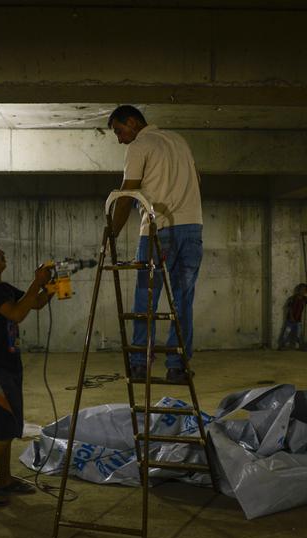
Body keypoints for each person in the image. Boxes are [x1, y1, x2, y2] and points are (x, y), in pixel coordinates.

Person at [107, 105, 203, 383]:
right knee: (183, 299)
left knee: (145, 297)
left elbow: (127, 193)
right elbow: (198, 180)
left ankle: (139, 363)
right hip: (192, 227)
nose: (119, 138)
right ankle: (177, 366)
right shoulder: (179, 141)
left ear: (133, 122)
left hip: (158, 230)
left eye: (119, 131)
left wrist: (111, 232)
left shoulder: (139, 145)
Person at [0, 238, 54, 505]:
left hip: (9, 363)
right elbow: (16, 314)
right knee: (3, 427)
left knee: (9, 424)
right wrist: (37, 282)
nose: (2, 254)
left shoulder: (2, 287)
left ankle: (3, 478)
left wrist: (52, 284)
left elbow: (34, 304)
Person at [278, 283, 307, 350]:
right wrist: (291, 317)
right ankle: (281, 346)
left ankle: (301, 346)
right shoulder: (292, 298)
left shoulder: (305, 299)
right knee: (286, 333)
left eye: (304, 290)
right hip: (290, 320)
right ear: (298, 290)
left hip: (298, 320)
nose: (303, 291)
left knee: (299, 334)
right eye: (301, 289)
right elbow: (289, 308)